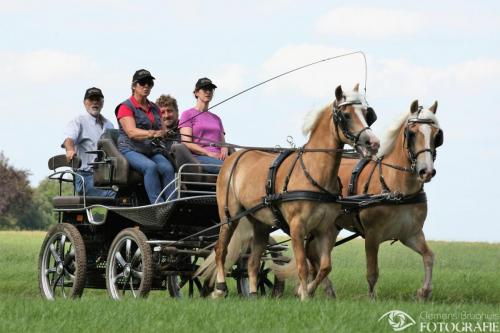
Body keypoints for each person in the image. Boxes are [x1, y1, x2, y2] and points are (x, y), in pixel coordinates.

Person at [115, 69, 176, 204]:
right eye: (142, 83)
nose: (146, 86)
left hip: (149, 149)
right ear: (134, 86)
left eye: (150, 83)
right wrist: (152, 133)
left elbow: (162, 129)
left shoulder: (154, 107)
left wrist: (166, 132)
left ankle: (172, 204)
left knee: (167, 168)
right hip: (130, 149)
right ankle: (157, 204)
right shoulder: (125, 107)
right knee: (150, 167)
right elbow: (131, 132)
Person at [63, 87, 116, 197]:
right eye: (91, 99)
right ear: (84, 103)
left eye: (98, 99)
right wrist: (70, 150)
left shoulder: (109, 125)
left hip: (106, 175)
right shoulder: (79, 121)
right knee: (115, 195)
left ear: (102, 102)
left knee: (129, 193)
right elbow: (68, 139)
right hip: (84, 176)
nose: (95, 102)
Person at [179, 78, 228, 174]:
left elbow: (223, 143)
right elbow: (187, 143)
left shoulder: (216, 118)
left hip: (220, 157)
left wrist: (224, 149)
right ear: (196, 93)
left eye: (211, 89)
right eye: (205, 89)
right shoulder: (187, 114)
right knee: (229, 168)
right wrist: (208, 153)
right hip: (200, 157)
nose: (208, 92)